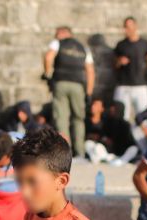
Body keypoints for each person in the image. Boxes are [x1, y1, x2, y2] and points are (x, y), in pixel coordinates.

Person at [43, 26, 94, 158]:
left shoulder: (57, 43)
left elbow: (48, 57)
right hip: (78, 86)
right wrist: (89, 92)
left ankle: (65, 152)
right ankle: (80, 152)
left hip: (61, 83)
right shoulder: (83, 48)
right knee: (79, 119)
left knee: (61, 118)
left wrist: (48, 75)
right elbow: (90, 71)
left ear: (62, 33)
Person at [113, 17, 147, 123]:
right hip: (123, 85)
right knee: (121, 118)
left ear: (135, 27)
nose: (126, 29)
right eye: (125, 27)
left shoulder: (144, 44)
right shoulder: (121, 45)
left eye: (128, 27)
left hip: (140, 86)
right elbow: (114, 65)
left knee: (143, 118)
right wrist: (120, 61)